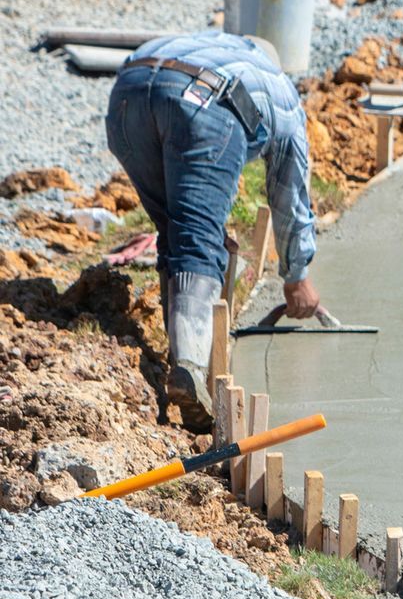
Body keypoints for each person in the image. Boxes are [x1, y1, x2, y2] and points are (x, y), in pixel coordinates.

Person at [106, 31, 319, 428]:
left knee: (176, 228)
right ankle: (188, 367)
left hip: (128, 94)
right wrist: (298, 276)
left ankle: (181, 354)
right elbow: (290, 194)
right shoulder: (279, 88)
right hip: (203, 100)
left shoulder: (217, 46)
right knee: (198, 241)